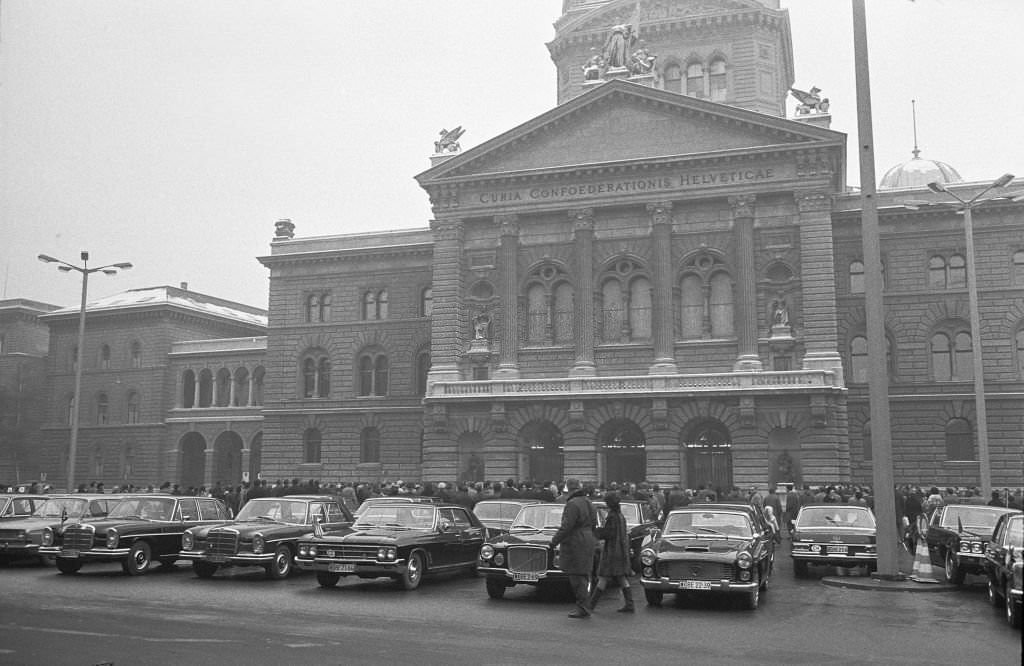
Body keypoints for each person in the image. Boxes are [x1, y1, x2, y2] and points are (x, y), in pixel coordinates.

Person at [548, 478, 598, 618]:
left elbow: (567, 526)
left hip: (576, 541)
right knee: (584, 574)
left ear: (568, 489)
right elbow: (594, 523)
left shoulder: (572, 504)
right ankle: (584, 605)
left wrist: (553, 542)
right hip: (588, 538)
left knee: (576, 576)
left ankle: (583, 607)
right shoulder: (589, 502)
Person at [588, 492, 635, 613]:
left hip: (612, 551)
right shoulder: (620, 516)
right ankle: (630, 604)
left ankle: (591, 606)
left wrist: (596, 531)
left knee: (603, 577)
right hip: (621, 550)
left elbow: (608, 533)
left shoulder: (612, 517)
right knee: (621, 578)